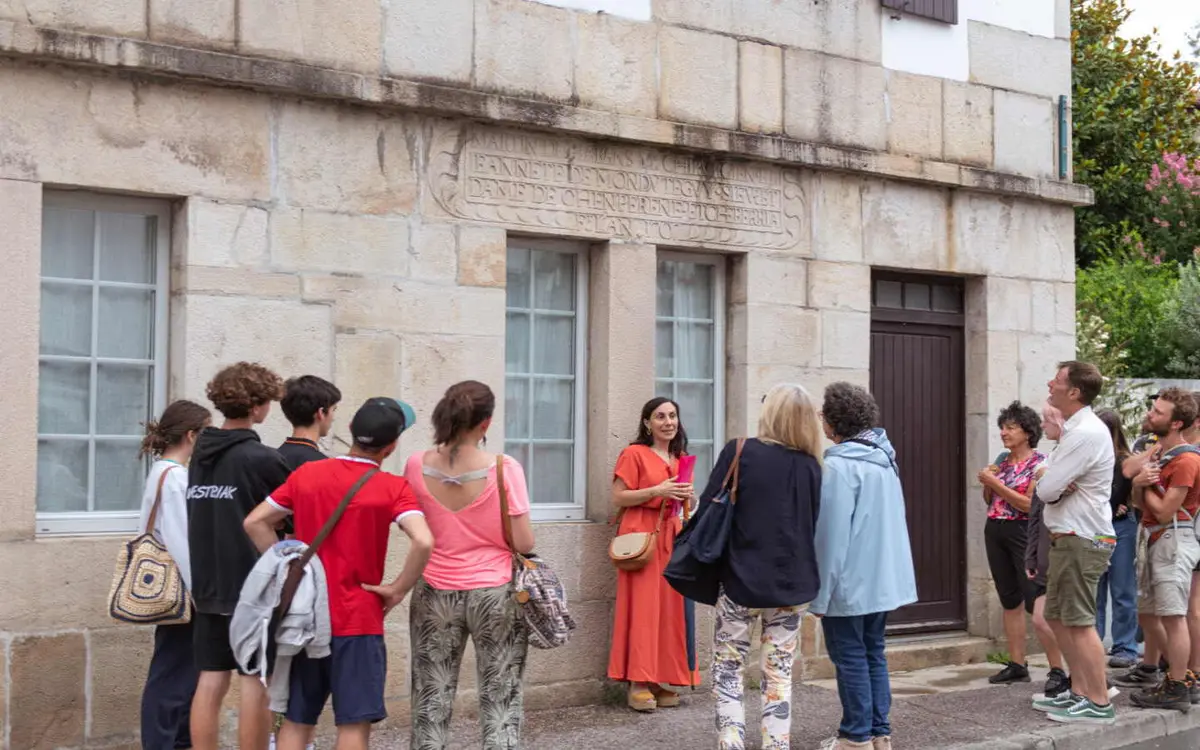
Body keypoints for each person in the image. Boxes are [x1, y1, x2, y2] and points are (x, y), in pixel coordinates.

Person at [243, 397, 435, 750]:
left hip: (305, 618)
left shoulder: (307, 475)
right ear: (391, 446)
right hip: (359, 619)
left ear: (349, 431)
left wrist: (286, 566)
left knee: (298, 721)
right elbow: (423, 540)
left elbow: (255, 521)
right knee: (353, 725)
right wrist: (396, 589)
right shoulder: (393, 488)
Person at [403, 381, 536, 750]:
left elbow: (411, 528)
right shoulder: (504, 468)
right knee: (501, 697)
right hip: (494, 592)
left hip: (434, 589)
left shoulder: (416, 465)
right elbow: (524, 543)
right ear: (486, 423)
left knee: (431, 696)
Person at [702, 384, 823, 750]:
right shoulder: (812, 466)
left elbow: (711, 505)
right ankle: (775, 744)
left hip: (740, 579)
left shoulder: (741, 451)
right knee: (779, 673)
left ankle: (731, 742)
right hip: (791, 585)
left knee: (727, 666)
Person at [187, 362, 293, 750]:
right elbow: (287, 515)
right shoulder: (261, 458)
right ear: (256, 408)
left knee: (211, 678)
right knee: (255, 679)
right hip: (252, 583)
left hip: (208, 582)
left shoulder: (200, 455)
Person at [811, 382, 917, 750]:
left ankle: (855, 736)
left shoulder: (839, 467)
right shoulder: (883, 459)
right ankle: (878, 733)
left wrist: (820, 596)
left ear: (835, 420)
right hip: (880, 579)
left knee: (850, 656)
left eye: (824, 414)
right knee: (873, 652)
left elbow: (830, 537)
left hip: (848, 581)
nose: (821, 421)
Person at [1030, 361, 1117, 725]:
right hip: (1070, 536)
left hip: (1083, 537)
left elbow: (1046, 487)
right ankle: (1080, 692)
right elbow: (1044, 475)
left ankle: (1099, 701)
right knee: (1057, 616)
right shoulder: (1076, 431)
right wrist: (1050, 478)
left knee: (1079, 622)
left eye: (1058, 380)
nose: (1050, 384)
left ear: (1075, 392)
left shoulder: (1084, 433)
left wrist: (1050, 480)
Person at [608, 397, 698, 712]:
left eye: (673, 415)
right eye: (660, 416)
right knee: (643, 609)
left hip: (672, 538)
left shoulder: (681, 458)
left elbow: (680, 505)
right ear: (647, 422)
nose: (668, 422)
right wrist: (656, 491)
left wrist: (689, 500)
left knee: (668, 611)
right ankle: (637, 682)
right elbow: (618, 496)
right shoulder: (634, 454)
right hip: (642, 538)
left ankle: (658, 678)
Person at [138, 400, 212, 750]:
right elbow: (182, 539)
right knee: (174, 675)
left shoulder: (162, 472)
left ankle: (175, 741)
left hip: (175, 587)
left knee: (178, 671)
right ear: (191, 434)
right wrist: (201, 590)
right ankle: (165, 743)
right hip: (183, 589)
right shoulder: (176, 477)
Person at [1127, 389, 1200, 712]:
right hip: (1157, 538)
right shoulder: (1160, 455)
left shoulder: (1186, 460)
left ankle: (1179, 685)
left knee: (1174, 616)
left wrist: (1143, 487)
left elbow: (1166, 511)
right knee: (1155, 613)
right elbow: (1135, 499)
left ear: (1176, 423)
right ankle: (1177, 677)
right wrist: (1139, 485)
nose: (1150, 415)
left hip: (1173, 539)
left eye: (1158, 412)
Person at [979, 401, 1046, 684]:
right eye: (1003, 427)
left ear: (1028, 432)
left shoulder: (1039, 463)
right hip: (995, 528)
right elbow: (989, 499)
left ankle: (1058, 667)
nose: (1004, 433)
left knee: (1036, 600)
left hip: (1023, 532)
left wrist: (994, 484)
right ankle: (1017, 663)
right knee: (1009, 598)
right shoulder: (1001, 460)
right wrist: (988, 483)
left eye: (1011, 428)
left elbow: (1029, 505)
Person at [1026, 403, 1070, 701]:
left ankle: (1082, 678)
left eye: (1046, 420)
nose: (1043, 426)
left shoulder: (1073, 456)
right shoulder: (1049, 459)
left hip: (1069, 547)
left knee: (1069, 621)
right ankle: (1059, 671)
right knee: (1041, 618)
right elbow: (1035, 510)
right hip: (1044, 551)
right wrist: (1030, 553)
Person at [1094, 410, 1138, 670]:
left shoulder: (1124, 461)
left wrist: (1115, 506)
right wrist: (1111, 506)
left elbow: (1127, 496)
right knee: (1096, 588)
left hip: (1121, 528)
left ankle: (1125, 647)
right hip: (1098, 529)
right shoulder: (1094, 459)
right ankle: (1093, 643)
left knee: (1122, 589)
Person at [277, 375, 342, 470]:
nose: (333, 418)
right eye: (333, 410)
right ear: (321, 413)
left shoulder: (274, 459)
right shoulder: (323, 466)